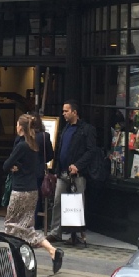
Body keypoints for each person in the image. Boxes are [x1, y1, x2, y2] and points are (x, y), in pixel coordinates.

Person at [3, 113, 63, 274]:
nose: (15, 127)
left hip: (20, 190)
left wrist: (14, 167)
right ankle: (51, 251)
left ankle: (12, 260)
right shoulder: (34, 145)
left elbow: (6, 165)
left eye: (17, 124)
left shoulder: (21, 145)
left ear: (20, 127)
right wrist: (20, 167)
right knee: (26, 226)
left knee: (11, 225)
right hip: (32, 190)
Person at [46, 100, 96, 247]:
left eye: (66, 111)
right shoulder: (66, 128)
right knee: (57, 202)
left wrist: (78, 166)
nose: (63, 114)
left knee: (76, 204)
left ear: (74, 112)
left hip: (77, 174)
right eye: (63, 111)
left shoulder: (86, 129)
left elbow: (91, 151)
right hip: (62, 172)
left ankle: (78, 235)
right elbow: (61, 150)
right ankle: (56, 232)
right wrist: (56, 170)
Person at [13, 113, 54, 229]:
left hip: (23, 172)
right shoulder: (44, 136)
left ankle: (24, 222)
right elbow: (50, 155)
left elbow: (14, 155)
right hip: (39, 171)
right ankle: (36, 223)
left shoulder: (22, 137)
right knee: (37, 197)